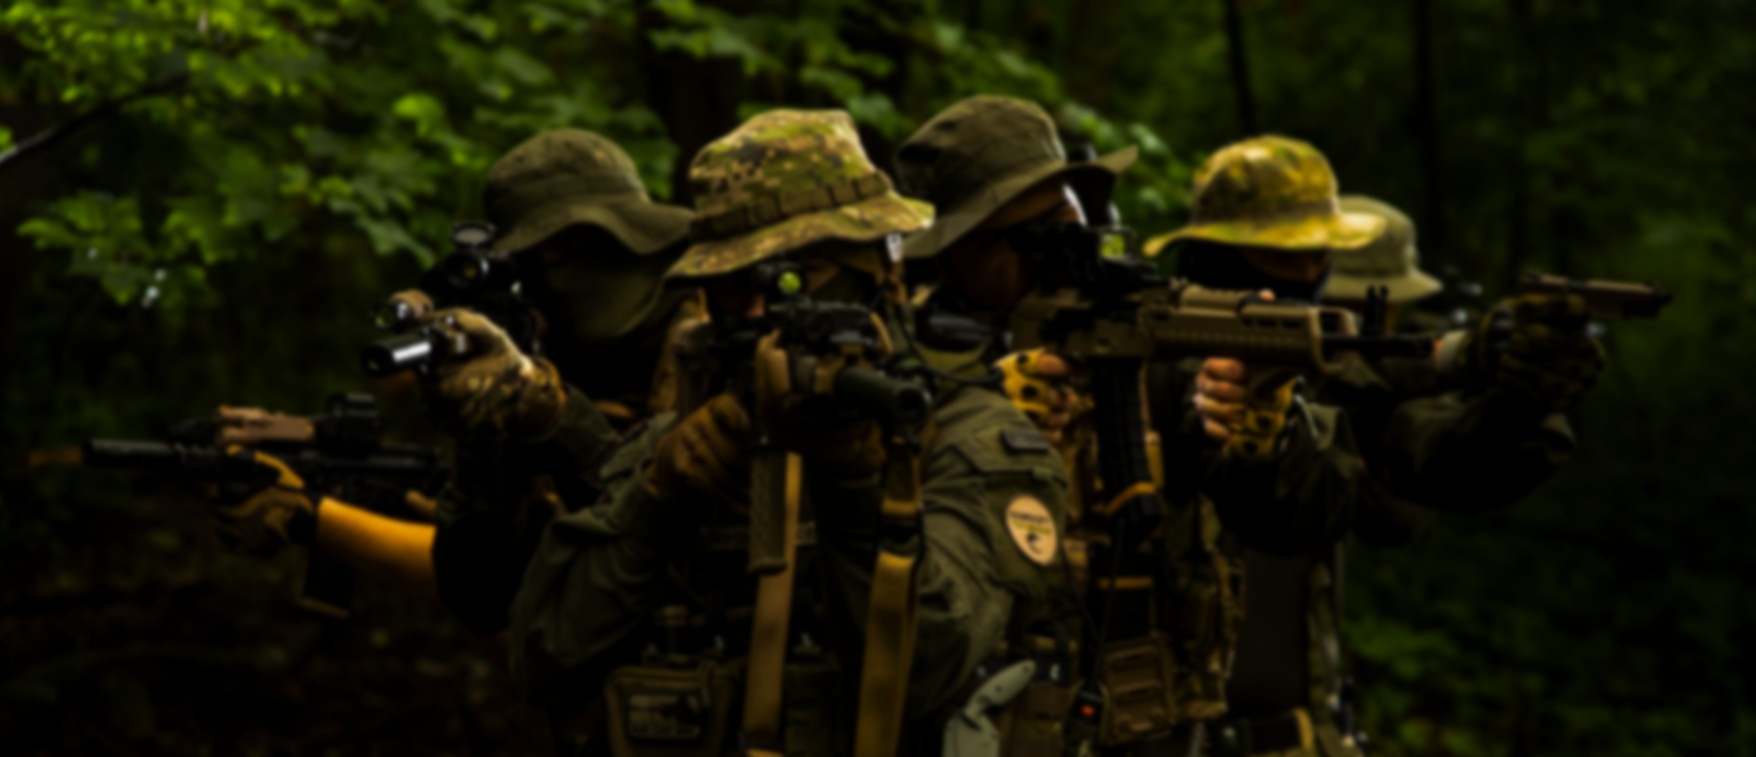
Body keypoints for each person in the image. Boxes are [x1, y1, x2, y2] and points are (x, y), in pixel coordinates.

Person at [507, 109, 1075, 757]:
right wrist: (655, 496)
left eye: (797, 272)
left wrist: (853, 481)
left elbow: (921, 669)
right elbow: (541, 664)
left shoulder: (974, 436)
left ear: (882, 269)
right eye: (733, 282)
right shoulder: (680, 441)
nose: (760, 308)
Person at [1144, 140, 1597, 757]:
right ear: (1213, 254)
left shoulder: (1339, 392)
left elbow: (1434, 467)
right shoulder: (1144, 369)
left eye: (1320, 254)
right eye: (1286, 254)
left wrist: (1519, 405)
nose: (1308, 273)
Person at [205, 129, 700, 643]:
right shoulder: (534, 352)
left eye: (575, 243)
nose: (559, 270)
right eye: (535, 256)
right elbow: (486, 599)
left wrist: (547, 410)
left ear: (634, 237)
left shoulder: (717, 342)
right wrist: (484, 437)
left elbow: (672, 540)